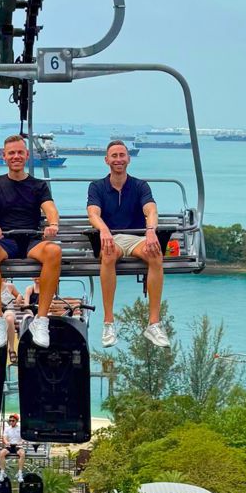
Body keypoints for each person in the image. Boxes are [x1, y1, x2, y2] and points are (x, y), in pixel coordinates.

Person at [0, 135, 61, 349]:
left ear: (26, 155)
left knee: (54, 252)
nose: (16, 156)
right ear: (4, 157)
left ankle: (41, 320)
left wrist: (52, 224)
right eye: (11, 153)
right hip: (5, 240)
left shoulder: (38, 185)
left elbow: (50, 210)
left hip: (31, 239)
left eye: (19, 152)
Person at [87, 140, 168, 348]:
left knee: (156, 255)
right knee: (107, 254)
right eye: (114, 156)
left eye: (122, 155)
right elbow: (93, 213)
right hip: (112, 239)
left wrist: (151, 231)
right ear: (107, 160)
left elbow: (150, 210)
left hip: (137, 238)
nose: (118, 160)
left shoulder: (140, 186)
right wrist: (104, 230)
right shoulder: (97, 187)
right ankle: (108, 322)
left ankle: (154, 324)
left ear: (128, 159)